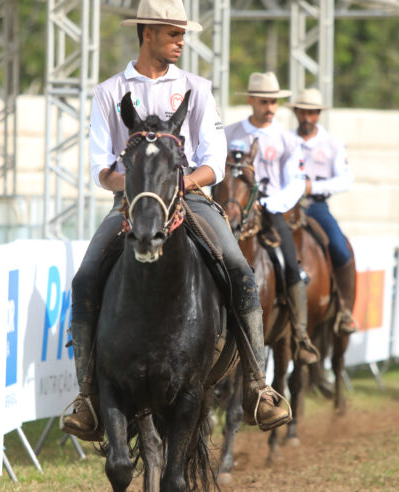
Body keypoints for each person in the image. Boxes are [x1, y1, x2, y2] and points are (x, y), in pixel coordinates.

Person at [60, 0, 291, 441]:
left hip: (192, 199)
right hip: (129, 203)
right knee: (85, 278)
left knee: (240, 269)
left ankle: (259, 386)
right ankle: (87, 396)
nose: (181, 41)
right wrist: (138, 190)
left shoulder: (197, 88)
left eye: (183, 34)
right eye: (173, 34)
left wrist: (176, 188)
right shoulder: (109, 92)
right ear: (148, 33)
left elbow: (215, 161)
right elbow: (100, 167)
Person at [225, 72, 321, 365]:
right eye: (264, 100)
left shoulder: (287, 140)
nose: (270, 106)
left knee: (290, 263)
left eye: (274, 101)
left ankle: (301, 335)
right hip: (232, 208)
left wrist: (270, 202)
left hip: (270, 210)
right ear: (251, 100)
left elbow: (296, 181)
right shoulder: (229, 133)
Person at [287, 88, 357, 336]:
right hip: (285, 205)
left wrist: (312, 186)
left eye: (312, 113)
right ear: (296, 112)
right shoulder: (285, 140)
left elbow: (346, 180)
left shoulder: (333, 145)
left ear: (319, 115)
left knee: (339, 247)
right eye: (303, 112)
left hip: (315, 206)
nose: (307, 117)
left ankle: (345, 310)